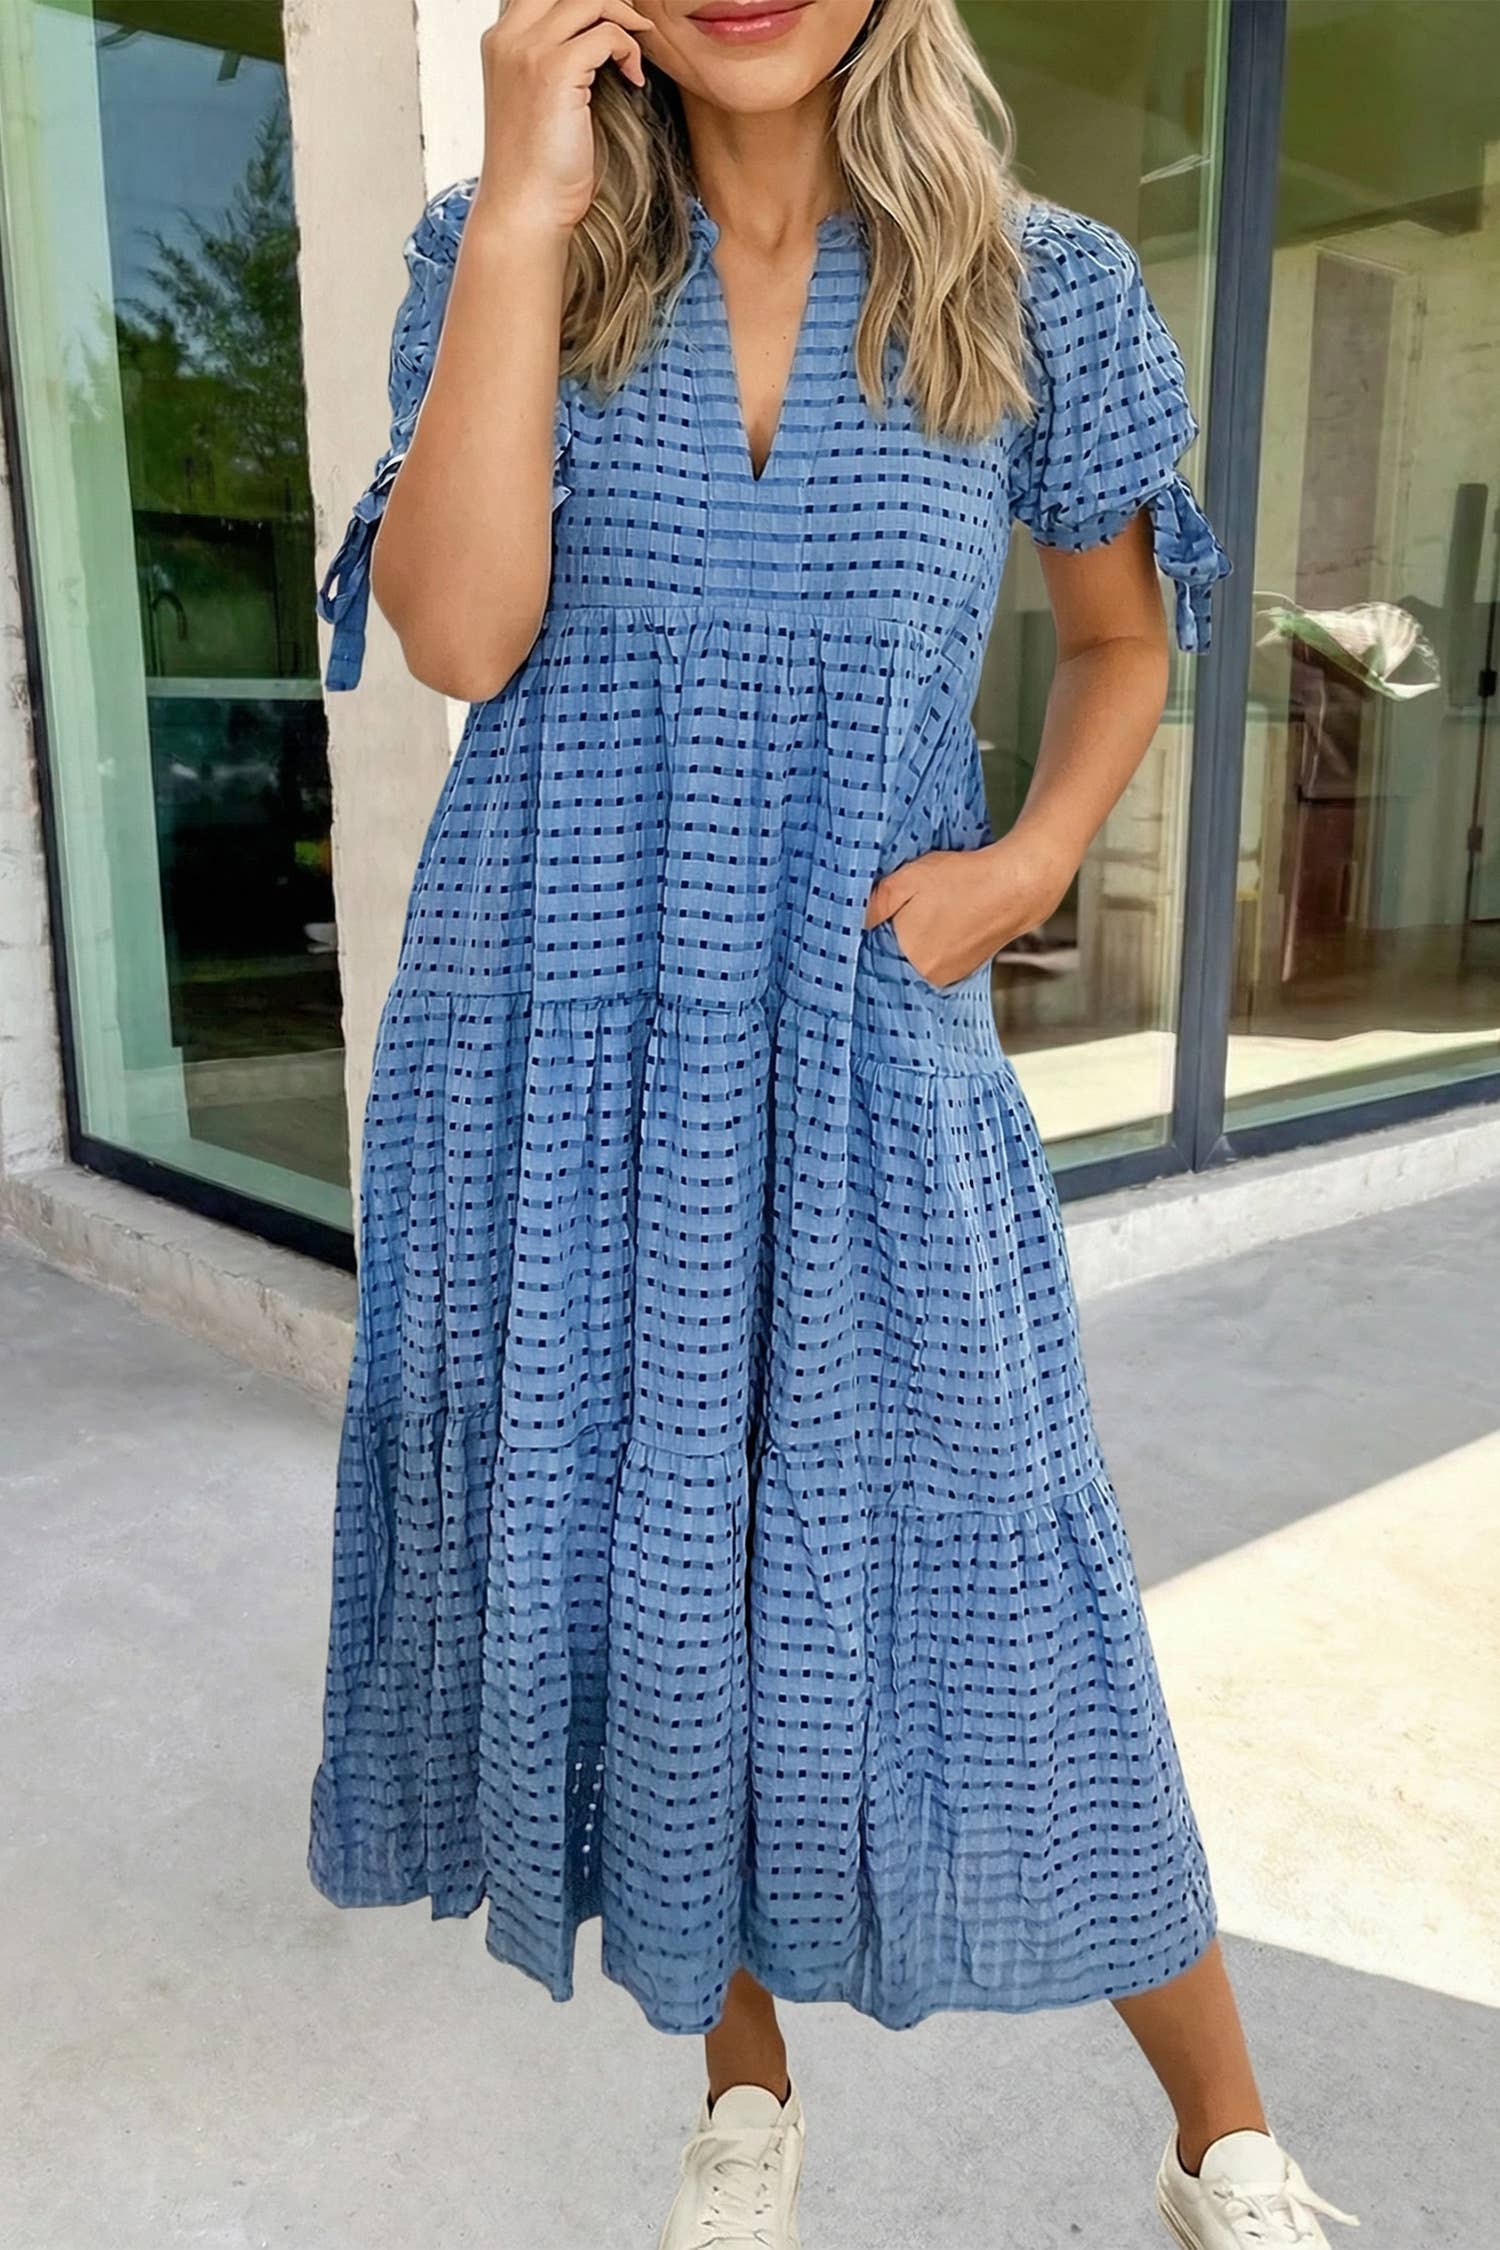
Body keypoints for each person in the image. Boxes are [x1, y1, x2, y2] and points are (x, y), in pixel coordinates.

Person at [308, 2, 1360, 2244]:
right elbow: (463, 636)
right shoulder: (500, 251)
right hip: (556, 1039)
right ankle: (746, 2092)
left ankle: (1223, 2141)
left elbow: (1115, 635)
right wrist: (519, 207)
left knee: (1010, 1573)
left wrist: (1032, 862)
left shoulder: (1035, 279)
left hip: (861, 1031)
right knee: (670, 1587)